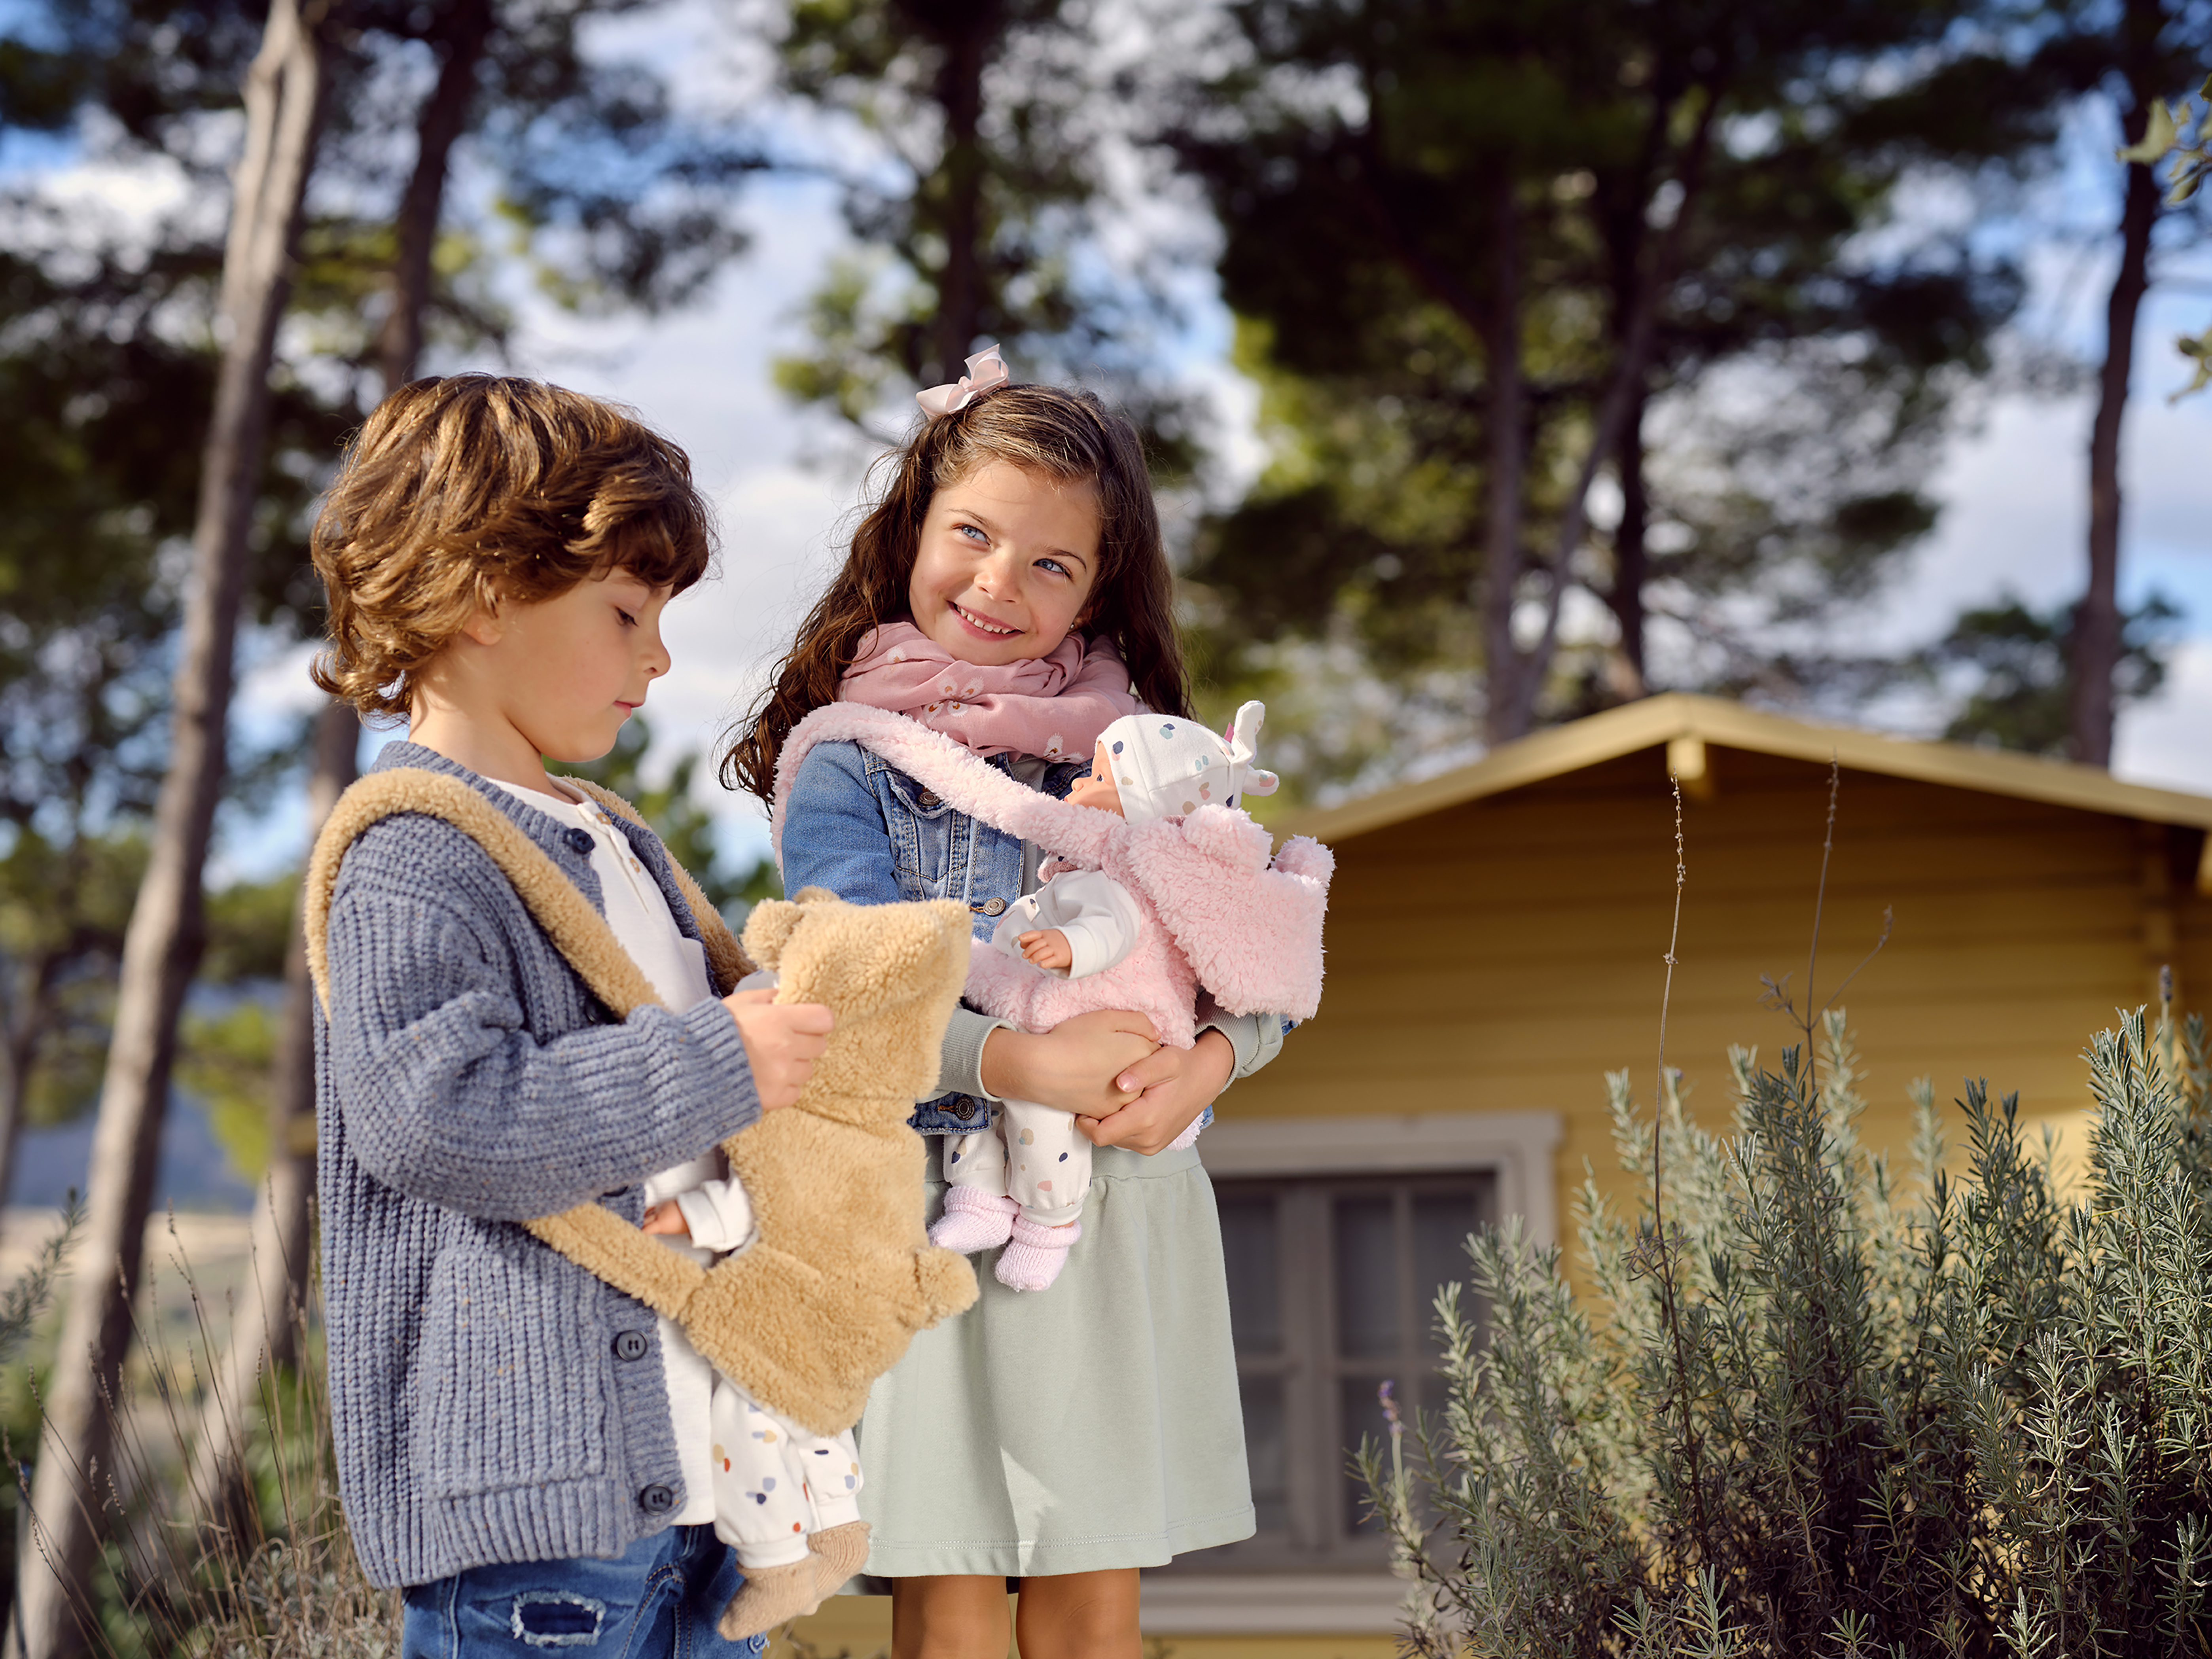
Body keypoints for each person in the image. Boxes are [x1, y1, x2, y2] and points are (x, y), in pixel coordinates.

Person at [723, 346, 1288, 1658]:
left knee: (1095, 1597)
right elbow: (851, 989)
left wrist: (1211, 1062)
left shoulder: (1141, 747)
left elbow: (1261, 954)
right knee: (957, 1586)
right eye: (972, 536)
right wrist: (1016, 1068)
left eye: (1051, 563)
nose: (998, 584)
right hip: (940, 1214)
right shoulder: (852, 763)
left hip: (1121, 1215)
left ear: (1101, 585)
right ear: (911, 527)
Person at [308, 374, 835, 1657]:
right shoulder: (413, 850)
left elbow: (702, 1099)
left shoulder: (615, 838)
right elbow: (436, 1118)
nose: (657, 656)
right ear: (486, 591)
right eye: (624, 611)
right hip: (536, 1523)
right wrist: (721, 1056)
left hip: (704, 1486)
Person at [922, 701, 1328, 1293]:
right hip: (924, 1170)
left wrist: (1209, 1063)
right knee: (990, 1112)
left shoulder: (1152, 752)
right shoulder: (853, 764)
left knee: (1040, 1127)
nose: (1080, 783)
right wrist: (1002, 1062)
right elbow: (843, 966)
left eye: (1095, 778)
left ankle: (1046, 1225)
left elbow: (1260, 966)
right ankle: (980, 1197)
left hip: (1134, 1191)